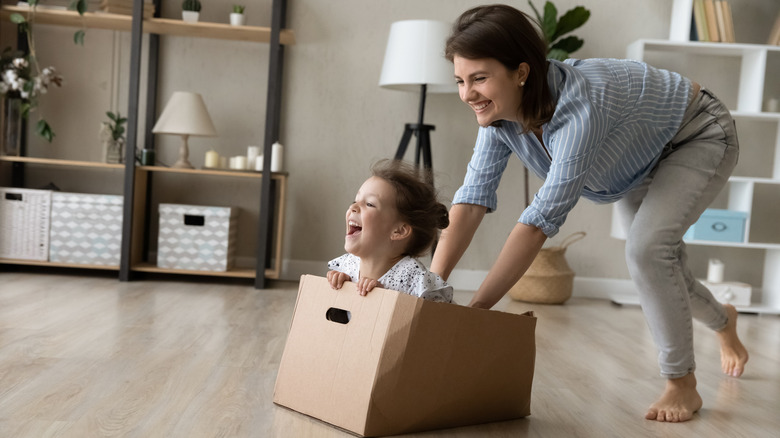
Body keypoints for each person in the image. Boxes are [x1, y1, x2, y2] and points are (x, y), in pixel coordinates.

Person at [429, 4, 748, 423]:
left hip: (696, 134)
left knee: (648, 253)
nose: (468, 94)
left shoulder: (579, 108)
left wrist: (476, 312)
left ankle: (682, 384)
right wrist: (430, 289)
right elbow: (470, 201)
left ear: (521, 72)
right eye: (460, 80)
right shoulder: (497, 117)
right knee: (660, 264)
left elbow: (537, 222)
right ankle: (724, 321)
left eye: (480, 78)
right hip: (641, 158)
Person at [327, 159, 453, 303]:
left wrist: (384, 299)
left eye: (369, 204)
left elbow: (440, 320)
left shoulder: (415, 281)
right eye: (355, 201)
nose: (353, 207)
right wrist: (341, 284)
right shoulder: (347, 265)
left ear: (399, 231)